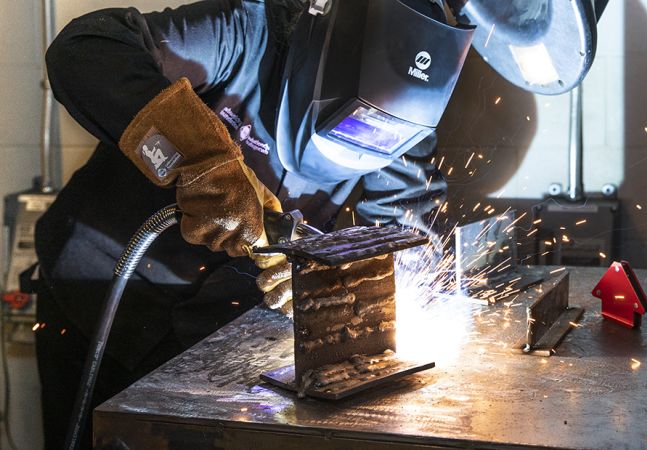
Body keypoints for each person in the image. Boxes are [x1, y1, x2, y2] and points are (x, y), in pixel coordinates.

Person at [36, 0, 471, 447]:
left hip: (211, 332)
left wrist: (355, 281)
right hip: (100, 292)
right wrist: (202, 161)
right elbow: (83, 48)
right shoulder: (246, 32)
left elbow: (408, 230)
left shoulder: (404, 116)